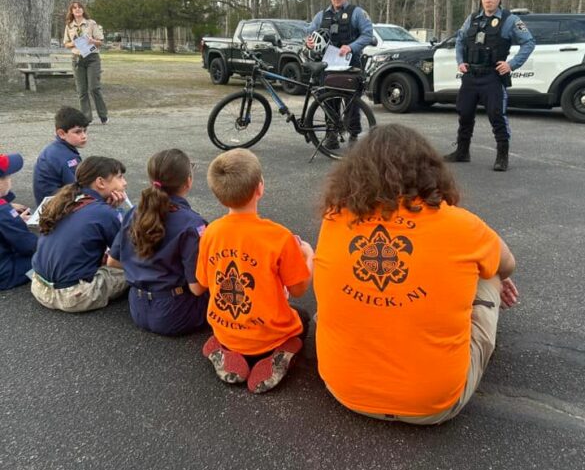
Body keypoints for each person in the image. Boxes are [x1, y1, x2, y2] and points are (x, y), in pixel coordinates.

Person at [314, 124, 519, 424]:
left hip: (344, 390)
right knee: (491, 274)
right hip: (434, 406)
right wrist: (486, 269)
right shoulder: (461, 225)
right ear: (429, 170)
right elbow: (508, 264)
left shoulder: (334, 217)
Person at [193, 148, 314, 394]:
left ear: (218, 195)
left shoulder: (210, 233)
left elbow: (203, 282)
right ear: (260, 188)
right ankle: (279, 354)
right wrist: (308, 257)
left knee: (229, 327)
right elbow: (299, 290)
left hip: (226, 326)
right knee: (301, 317)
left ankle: (223, 348)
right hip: (267, 335)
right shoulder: (279, 237)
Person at [107, 149, 209, 336]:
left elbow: (113, 262)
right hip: (176, 313)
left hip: (137, 307)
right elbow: (197, 288)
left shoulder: (135, 212)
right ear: (188, 182)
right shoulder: (192, 224)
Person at [445, 0, 535, 171]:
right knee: (465, 113)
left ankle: (502, 156)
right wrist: (460, 61)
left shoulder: (510, 20)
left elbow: (529, 43)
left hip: (492, 76)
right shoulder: (472, 19)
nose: (488, 1)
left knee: (496, 115)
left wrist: (511, 64)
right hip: (471, 76)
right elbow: (460, 40)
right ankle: (462, 152)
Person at [30, 156, 128, 312]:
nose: (125, 183)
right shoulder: (104, 213)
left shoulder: (62, 201)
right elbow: (123, 255)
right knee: (133, 267)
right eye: (120, 177)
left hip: (39, 286)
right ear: (100, 182)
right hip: (75, 296)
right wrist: (116, 213)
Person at [306, 0, 374, 149]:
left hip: (351, 64)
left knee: (351, 101)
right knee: (329, 101)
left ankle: (353, 135)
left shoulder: (357, 13)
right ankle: (331, 135)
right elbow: (309, 33)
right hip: (327, 65)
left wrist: (350, 47)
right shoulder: (321, 15)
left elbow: (368, 35)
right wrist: (308, 42)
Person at [63, 0, 108, 125]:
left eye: (80, 7)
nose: (77, 10)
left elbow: (100, 41)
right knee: (82, 90)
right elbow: (66, 43)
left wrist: (92, 40)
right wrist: (74, 43)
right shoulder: (69, 26)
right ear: (71, 11)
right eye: (74, 8)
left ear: (83, 10)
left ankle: (103, 115)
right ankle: (87, 118)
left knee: (94, 87)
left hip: (92, 57)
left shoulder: (91, 23)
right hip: (77, 59)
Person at [33, 106, 89, 205]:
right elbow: (77, 187)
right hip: (56, 209)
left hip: (47, 204)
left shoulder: (56, 148)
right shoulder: (68, 158)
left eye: (85, 130)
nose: (84, 136)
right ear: (61, 134)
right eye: (78, 132)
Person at [0, 154, 38, 290]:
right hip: (5, 274)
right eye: (8, 176)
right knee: (45, 258)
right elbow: (28, 245)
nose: (11, 180)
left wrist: (14, 221)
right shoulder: (3, 211)